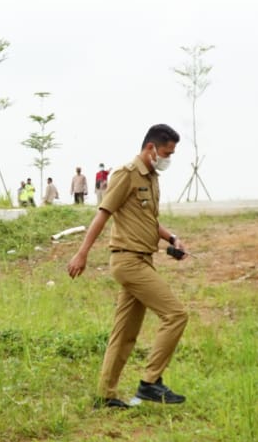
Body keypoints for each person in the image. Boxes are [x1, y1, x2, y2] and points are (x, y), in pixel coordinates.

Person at [67, 124, 189, 408]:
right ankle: (150, 383)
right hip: (128, 261)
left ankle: (105, 395)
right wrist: (81, 253)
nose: (168, 158)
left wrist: (172, 238)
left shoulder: (152, 177)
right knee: (176, 315)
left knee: (124, 333)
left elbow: (148, 220)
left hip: (143, 259)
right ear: (151, 148)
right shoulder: (126, 174)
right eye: (167, 152)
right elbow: (103, 214)